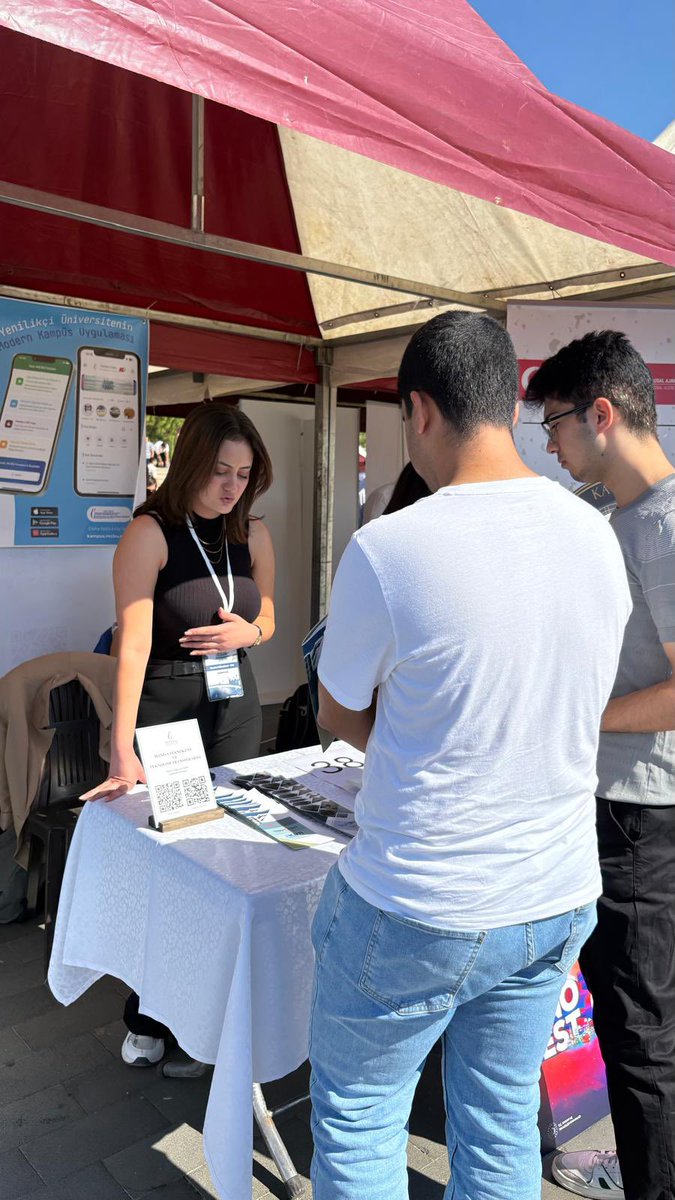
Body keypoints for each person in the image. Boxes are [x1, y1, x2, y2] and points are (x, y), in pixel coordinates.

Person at [310, 311, 631, 1200]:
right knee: (497, 1121)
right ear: (507, 404)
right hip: (554, 891)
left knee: (360, 1120)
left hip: (419, 896)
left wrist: (415, 742)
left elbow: (337, 710)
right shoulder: (593, 534)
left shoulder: (389, 548)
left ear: (419, 410)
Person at [525, 331, 675, 1200]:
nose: (548, 444)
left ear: (602, 413)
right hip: (615, 802)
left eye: (554, 423)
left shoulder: (662, 523)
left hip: (640, 816)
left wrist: (576, 716)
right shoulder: (618, 517)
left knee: (638, 1035)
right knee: (632, 1023)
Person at [83, 402, 275, 1070]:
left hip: (236, 703)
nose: (231, 486)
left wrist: (251, 632)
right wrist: (122, 747)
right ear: (191, 461)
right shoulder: (150, 533)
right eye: (220, 471)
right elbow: (132, 643)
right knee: (176, 865)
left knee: (229, 860)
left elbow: (270, 615)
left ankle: (205, 1017)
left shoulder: (253, 533)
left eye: (243, 475)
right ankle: (147, 1013)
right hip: (168, 712)